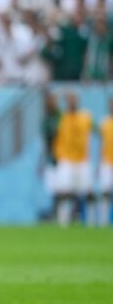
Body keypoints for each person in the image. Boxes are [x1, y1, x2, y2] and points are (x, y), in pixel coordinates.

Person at [52, 92, 94, 227]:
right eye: (70, 100)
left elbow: (98, 129)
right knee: (64, 191)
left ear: (78, 101)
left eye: (74, 99)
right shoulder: (61, 117)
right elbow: (51, 105)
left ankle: (92, 222)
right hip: (66, 158)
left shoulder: (85, 117)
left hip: (82, 159)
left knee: (88, 192)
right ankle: (63, 222)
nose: (72, 102)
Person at [99, 98, 113, 227]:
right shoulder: (104, 123)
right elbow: (101, 144)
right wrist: (99, 163)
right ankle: (103, 220)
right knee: (105, 192)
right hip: (107, 162)